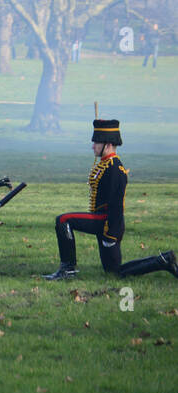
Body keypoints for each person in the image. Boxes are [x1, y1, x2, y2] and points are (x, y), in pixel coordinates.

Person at [44, 119, 177, 281]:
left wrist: (110, 235)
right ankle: (163, 261)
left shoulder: (114, 168)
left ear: (107, 144)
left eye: (96, 143)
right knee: (114, 272)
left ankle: (67, 269)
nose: (93, 146)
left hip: (107, 223)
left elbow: (116, 206)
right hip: (103, 221)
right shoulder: (105, 164)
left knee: (63, 220)